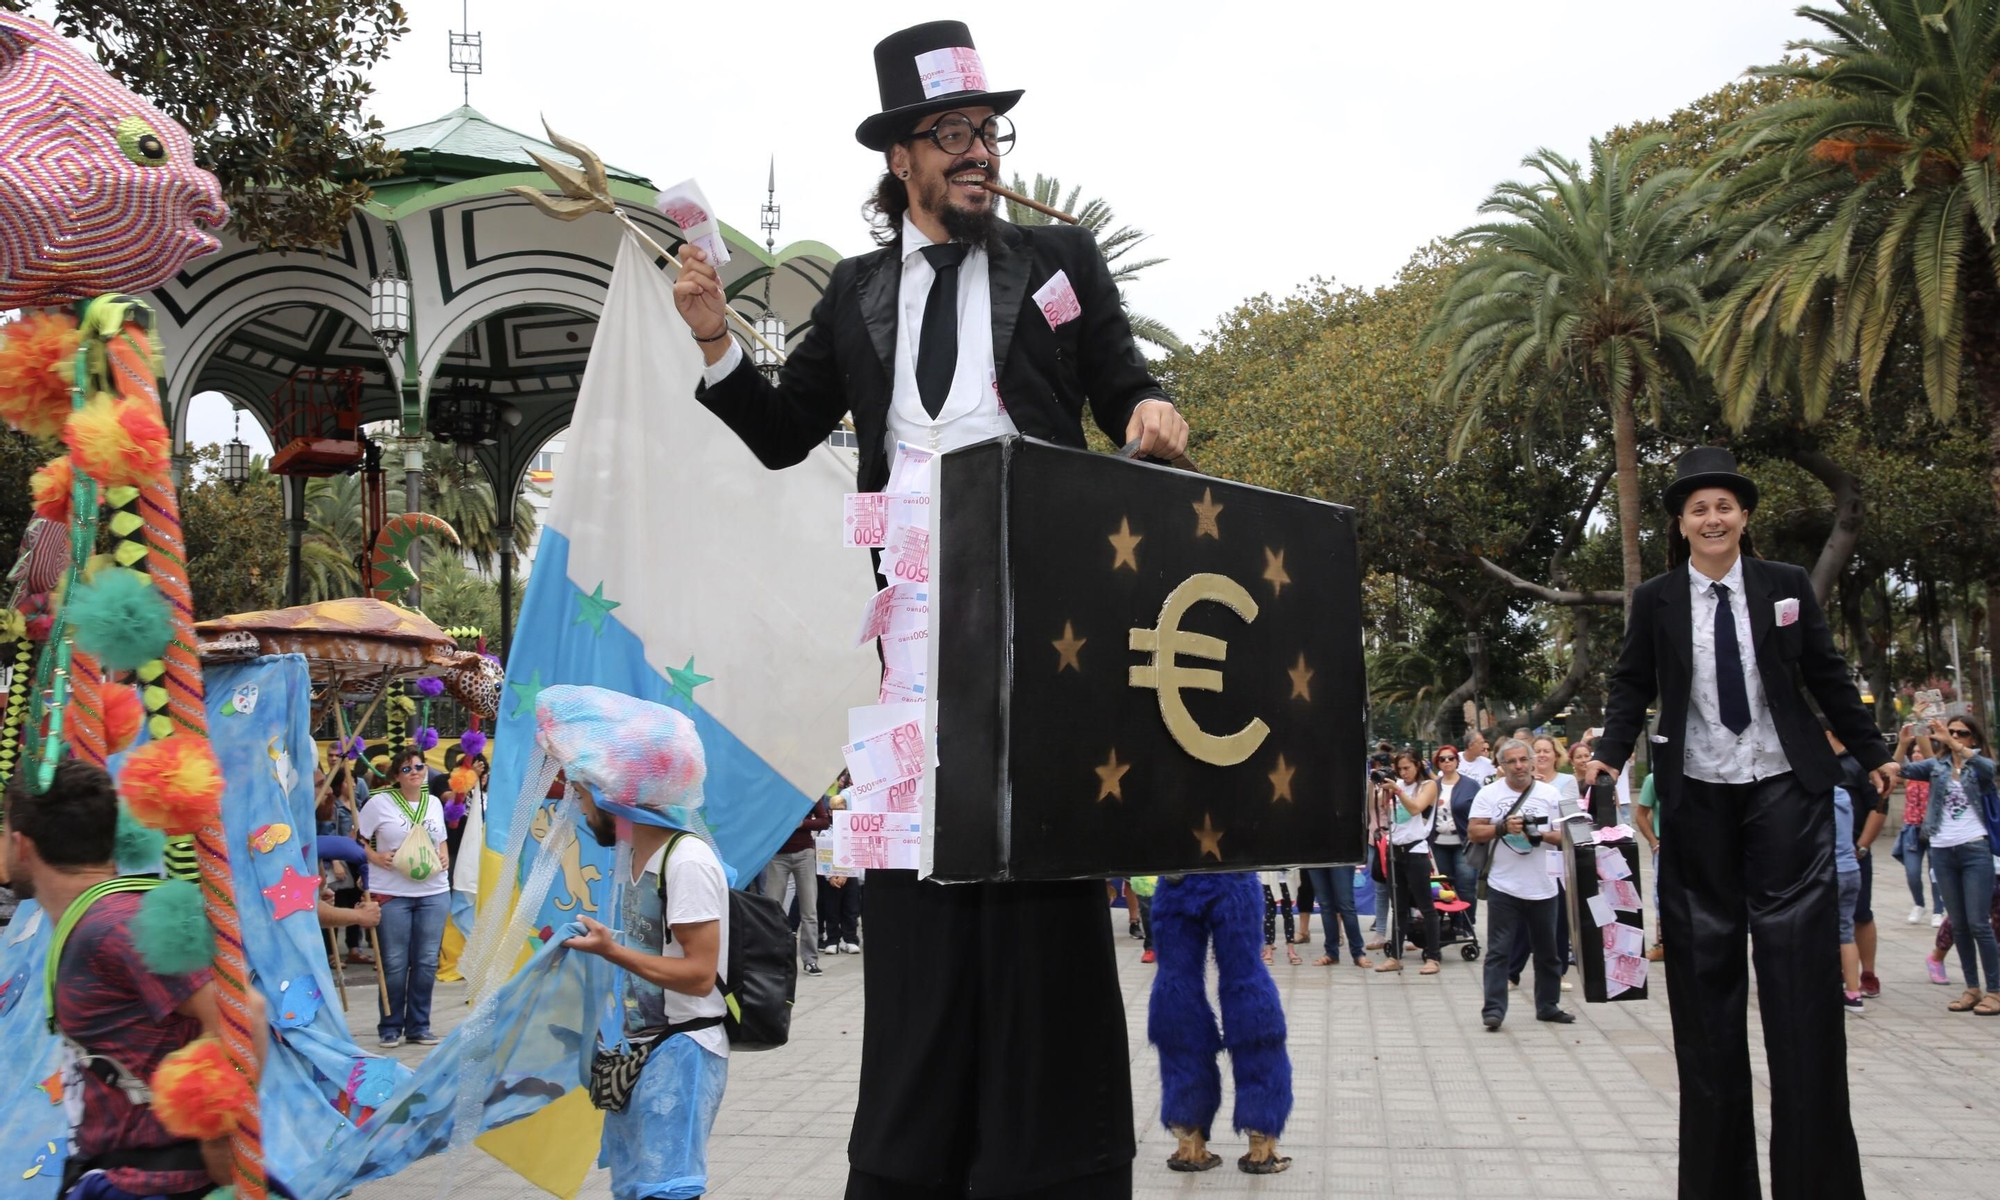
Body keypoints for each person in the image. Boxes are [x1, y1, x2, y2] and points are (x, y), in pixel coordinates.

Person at [672, 22, 1186, 1197]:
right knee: (921, 893)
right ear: (900, 154)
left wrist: (1154, 407)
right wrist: (711, 339)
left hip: (1046, 614)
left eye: (987, 133)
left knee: (1042, 887)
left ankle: (1052, 1165)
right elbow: (779, 429)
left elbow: (1119, 380)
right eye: (951, 134)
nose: (977, 153)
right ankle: (916, 1165)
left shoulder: (1056, 260)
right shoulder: (855, 294)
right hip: (908, 633)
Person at [1584, 446, 1894, 1200]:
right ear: (1682, 524)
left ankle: (1815, 1183)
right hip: (1698, 799)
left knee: (1801, 990)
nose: (1713, 517)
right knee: (1705, 987)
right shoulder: (1655, 600)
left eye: (1724, 505)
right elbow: (1632, 684)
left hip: (1785, 790)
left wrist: (1872, 751)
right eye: (1698, 508)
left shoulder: (1785, 586)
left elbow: (1826, 673)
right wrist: (1609, 755)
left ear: (1744, 517)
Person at [7, 759, 269, 1200]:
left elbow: (246, 1013)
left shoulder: (113, 925)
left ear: (22, 845)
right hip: (117, 1173)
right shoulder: (97, 919)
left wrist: (216, 1139)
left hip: (151, 1184)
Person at [564, 761, 730, 1200]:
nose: (581, 811)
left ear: (610, 800)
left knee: (667, 1190)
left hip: (684, 1051)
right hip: (644, 1051)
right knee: (638, 1188)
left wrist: (611, 951)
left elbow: (698, 975)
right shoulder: (636, 855)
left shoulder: (686, 861)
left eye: (583, 797)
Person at [1146, 873, 1292, 1175]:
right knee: (1246, 981)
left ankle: (1188, 1137)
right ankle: (1260, 1137)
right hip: (1233, 871)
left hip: (1174, 876)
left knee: (1176, 988)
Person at [1895, 716, 1999, 1014]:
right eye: (1950, 731)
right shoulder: (1936, 767)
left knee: (1980, 924)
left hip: (1974, 849)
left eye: (1961, 733)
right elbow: (1899, 770)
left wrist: (1952, 744)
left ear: (1973, 739)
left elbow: (1990, 770)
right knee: (1961, 925)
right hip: (1941, 851)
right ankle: (1972, 989)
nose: (1953, 736)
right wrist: (1904, 742)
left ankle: (1995, 990)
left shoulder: (1978, 765)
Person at [1469, 738, 1571, 1030]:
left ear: (1532, 761)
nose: (1518, 766)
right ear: (1501, 766)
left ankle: (1548, 1006)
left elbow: (1569, 834)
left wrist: (1538, 834)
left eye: (1523, 760)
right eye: (1511, 761)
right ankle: (1494, 1011)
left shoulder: (1551, 794)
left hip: (1545, 886)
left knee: (1548, 951)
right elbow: (1474, 832)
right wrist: (1502, 827)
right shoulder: (1488, 793)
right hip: (1504, 886)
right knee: (1499, 952)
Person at [358, 745, 451, 1048]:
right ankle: (390, 1025)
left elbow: (442, 839)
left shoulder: (434, 802)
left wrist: (445, 856)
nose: (415, 773)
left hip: (434, 891)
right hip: (393, 891)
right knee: (395, 961)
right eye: (407, 769)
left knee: (425, 961)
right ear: (396, 775)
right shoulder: (378, 802)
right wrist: (375, 856)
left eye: (419, 767)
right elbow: (357, 842)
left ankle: (419, 1025)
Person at [1825, 720, 1886, 998]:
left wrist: (1862, 846)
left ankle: (1868, 972)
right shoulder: (1819, 765)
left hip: (1853, 853)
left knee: (1860, 915)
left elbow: (1878, 807)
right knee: (1833, 921)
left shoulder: (1858, 763)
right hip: (1826, 857)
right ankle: (1840, 972)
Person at [1376, 750, 1441, 975]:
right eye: (1400, 769)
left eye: (1408, 768)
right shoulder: (1398, 785)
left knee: (1426, 906)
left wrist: (1398, 790)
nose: (1404, 773)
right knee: (1399, 907)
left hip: (1416, 851)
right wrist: (1385, 790)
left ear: (1418, 766)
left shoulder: (1428, 786)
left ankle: (1433, 956)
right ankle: (1395, 955)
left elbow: (1415, 808)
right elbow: (1386, 812)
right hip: (1395, 849)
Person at [766, 790, 833, 976]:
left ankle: (810, 960)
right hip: (777, 856)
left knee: (809, 910)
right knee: (773, 909)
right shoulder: (775, 791)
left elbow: (825, 821)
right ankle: (775, 958)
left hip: (804, 854)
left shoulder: (808, 790)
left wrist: (802, 823)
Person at [1430, 745, 1480, 936]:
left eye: (1451, 758)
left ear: (1457, 761)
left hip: (1463, 842)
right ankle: (1454, 922)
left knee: (1466, 884)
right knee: (1445, 886)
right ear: (1438, 763)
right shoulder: (1433, 786)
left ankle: (1467, 924)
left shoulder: (1471, 784)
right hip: (1439, 842)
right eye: (1442, 759)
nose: (1447, 761)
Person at [1895, 739, 1943, 925]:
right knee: (1912, 872)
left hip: (1933, 829)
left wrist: (1922, 728)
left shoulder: (1936, 773)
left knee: (1936, 872)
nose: (1916, 754)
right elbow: (1896, 767)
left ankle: (1938, 909)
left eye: (1919, 751)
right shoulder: (1909, 776)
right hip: (1911, 829)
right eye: (1913, 751)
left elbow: (1932, 758)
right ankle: (1919, 904)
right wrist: (1903, 742)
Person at [1832, 785, 1865, 1012]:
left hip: (1827, 871)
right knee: (1845, 931)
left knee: (1813, 932)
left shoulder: (1812, 796)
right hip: (1850, 868)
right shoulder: (1842, 794)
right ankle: (1853, 993)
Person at [1303, 861, 1369, 969]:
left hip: (1342, 856)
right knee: (1326, 906)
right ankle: (1331, 953)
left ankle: (1358, 953)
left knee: (1346, 905)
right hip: (1314, 856)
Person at [1634, 772, 1664, 962]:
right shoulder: (1653, 779)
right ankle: (1662, 944)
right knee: (1661, 896)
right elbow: (1641, 815)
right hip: (1665, 846)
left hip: (1696, 846)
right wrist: (1654, 842)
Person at [1258, 870, 1300, 966]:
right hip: (1268, 879)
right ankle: (1268, 949)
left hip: (1288, 878)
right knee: (1269, 915)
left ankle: (1291, 950)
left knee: (1288, 914)